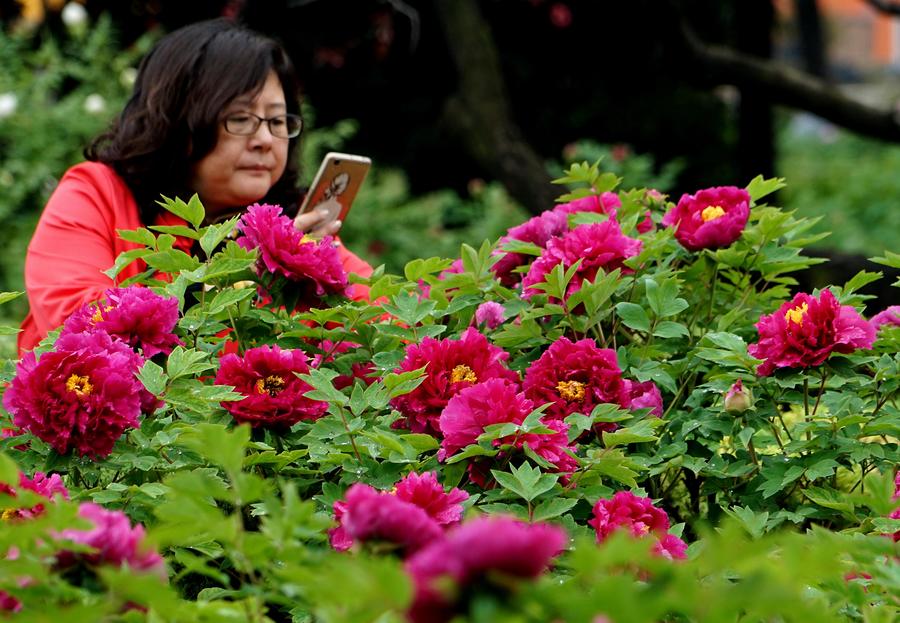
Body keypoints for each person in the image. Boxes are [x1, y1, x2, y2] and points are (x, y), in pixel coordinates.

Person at [19, 18, 373, 355]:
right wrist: (249, 278)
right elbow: (74, 324)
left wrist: (309, 274)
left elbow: (386, 325)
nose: (266, 139)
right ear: (177, 121)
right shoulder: (97, 192)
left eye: (278, 120)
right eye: (240, 118)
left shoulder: (293, 229)